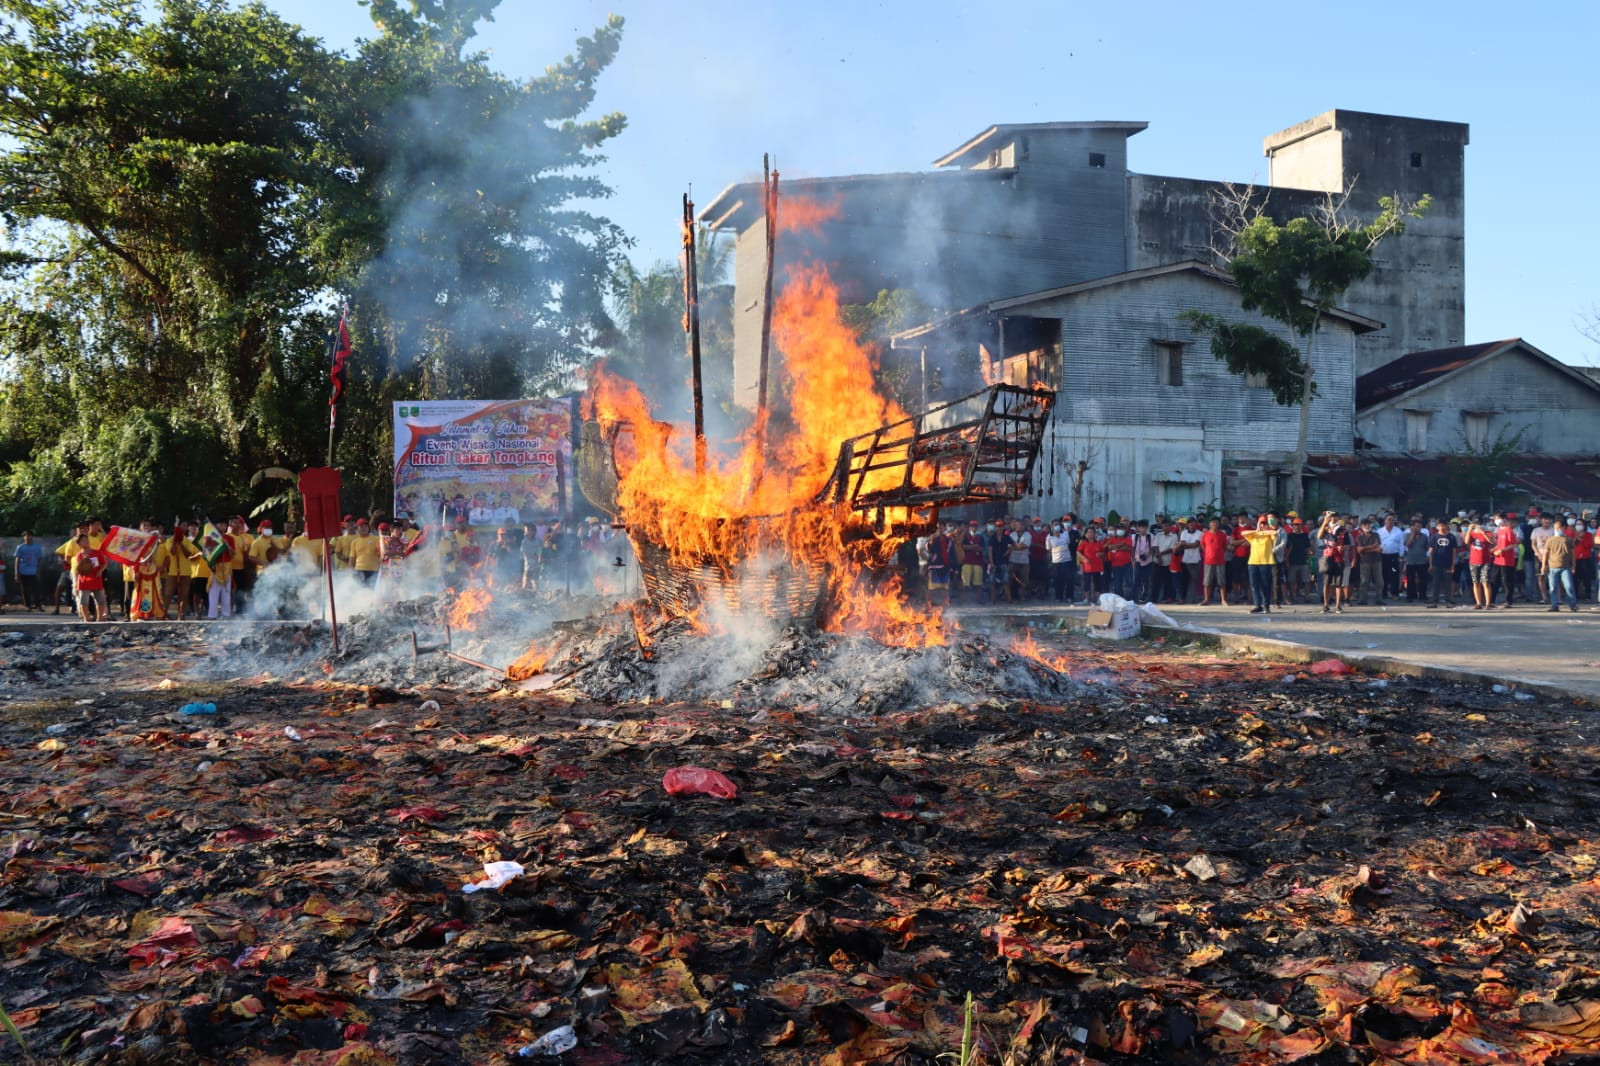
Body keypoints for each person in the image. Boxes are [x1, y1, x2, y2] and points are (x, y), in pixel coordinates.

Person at [1241, 515, 1279, 614]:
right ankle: (1258, 605)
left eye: (1264, 524)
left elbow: (1274, 532)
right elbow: (1243, 533)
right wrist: (1257, 529)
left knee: (1266, 585)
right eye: (1261, 523)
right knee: (1254, 585)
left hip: (1266, 562)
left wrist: (1266, 529)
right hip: (1253, 562)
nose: (1263, 525)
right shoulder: (1254, 535)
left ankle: (1266, 605)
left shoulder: (1269, 535)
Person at [1317, 511, 1352, 614]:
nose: (1332, 519)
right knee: (1326, 583)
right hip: (1328, 557)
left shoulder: (1343, 530)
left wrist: (1343, 547)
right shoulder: (1326, 528)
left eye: (1334, 517)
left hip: (1339, 558)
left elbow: (1348, 545)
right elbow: (1319, 536)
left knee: (1338, 583)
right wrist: (1324, 522)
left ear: (1337, 518)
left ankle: (1337, 605)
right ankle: (1326, 605)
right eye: (1330, 517)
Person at [1541, 517, 1578, 612]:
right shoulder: (1550, 540)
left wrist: (1573, 565)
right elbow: (1545, 553)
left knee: (1569, 586)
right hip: (1553, 566)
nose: (1557, 529)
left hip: (1566, 567)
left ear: (1564, 527)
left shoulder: (1569, 540)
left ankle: (1572, 604)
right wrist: (1543, 566)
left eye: (1559, 527)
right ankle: (1554, 605)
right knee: (1553, 587)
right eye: (1556, 527)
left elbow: (1573, 553)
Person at [70, 532, 109, 622]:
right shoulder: (79, 555)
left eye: (86, 539)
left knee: (100, 600)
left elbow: (104, 564)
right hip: (84, 581)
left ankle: (100, 618)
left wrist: (100, 571)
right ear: (79, 544)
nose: (86, 541)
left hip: (96, 579)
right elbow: (81, 569)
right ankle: (86, 618)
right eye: (83, 540)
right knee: (84, 601)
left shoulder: (97, 552)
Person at [1464, 519, 1495, 610]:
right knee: (1475, 582)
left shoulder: (1488, 532)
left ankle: (1488, 603)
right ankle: (1478, 603)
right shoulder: (1472, 533)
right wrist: (1469, 530)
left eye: (1480, 524)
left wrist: (1483, 533)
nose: (1478, 526)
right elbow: (1466, 542)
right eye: (1476, 524)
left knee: (1485, 582)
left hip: (1486, 561)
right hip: (1474, 560)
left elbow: (1492, 542)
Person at [1426, 520, 1458, 608]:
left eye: (1443, 526)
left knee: (1447, 583)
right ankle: (1434, 602)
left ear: (1447, 526)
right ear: (1437, 527)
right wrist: (1430, 564)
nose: (1442, 528)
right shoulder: (1434, 537)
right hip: (1436, 563)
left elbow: (1454, 552)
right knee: (1435, 583)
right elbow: (1431, 551)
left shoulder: (1451, 537)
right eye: (1440, 526)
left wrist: (1453, 565)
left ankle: (1448, 601)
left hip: (1447, 564)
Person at [1199, 517, 1230, 607]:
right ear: (1210, 524)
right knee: (1207, 582)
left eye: (1216, 523)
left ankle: (1223, 600)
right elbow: (1202, 545)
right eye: (1213, 523)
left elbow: (1224, 546)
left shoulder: (1222, 535)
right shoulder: (1205, 535)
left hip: (1220, 560)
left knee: (1221, 581)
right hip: (1208, 561)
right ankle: (1206, 599)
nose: (1215, 524)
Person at [1354, 518, 1383, 605]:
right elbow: (1359, 550)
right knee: (1364, 581)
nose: (1367, 526)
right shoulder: (1359, 537)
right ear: (1362, 526)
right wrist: (1372, 547)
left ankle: (1379, 599)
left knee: (1379, 581)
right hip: (1364, 561)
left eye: (1369, 525)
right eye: (1365, 525)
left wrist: (1365, 549)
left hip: (1376, 561)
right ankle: (1362, 599)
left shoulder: (1376, 535)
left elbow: (1378, 548)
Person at [1377, 514, 1405, 601]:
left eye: (1392, 520)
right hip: (1383, 555)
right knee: (1383, 575)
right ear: (1385, 521)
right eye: (1389, 519)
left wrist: (1401, 555)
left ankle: (1394, 593)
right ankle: (1383, 593)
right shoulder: (1379, 531)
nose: (1390, 521)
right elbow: (1377, 543)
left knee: (1394, 574)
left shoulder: (1398, 531)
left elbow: (1401, 544)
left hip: (1394, 555)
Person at [346, 518, 382, 586]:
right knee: (361, 591)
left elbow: (382, 553)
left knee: (372, 591)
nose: (363, 528)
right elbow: (352, 558)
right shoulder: (354, 542)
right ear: (357, 529)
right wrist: (351, 572)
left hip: (374, 570)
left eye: (365, 526)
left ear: (368, 528)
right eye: (361, 526)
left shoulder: (377, 539)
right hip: (359, 570)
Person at [1103, 522, 1134, 600]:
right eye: (1119, 529)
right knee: (1117, 584)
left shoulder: (1128, 539)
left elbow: (1129, 548)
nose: (1120, 530)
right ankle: (1119, 599)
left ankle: (1129, 599)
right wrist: (1122, 544)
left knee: (1129, 582)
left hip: (1127, 564)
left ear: (1125, 530)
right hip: (1115, 564)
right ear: (1116, 530)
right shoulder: (1112, 539)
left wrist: (1116, 547)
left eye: (1122, 528)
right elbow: (1109, 547)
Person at [959, 521, 987, 604]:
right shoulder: (965, 536)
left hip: (978, 562)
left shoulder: (980, 537)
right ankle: (962, 600)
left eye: (975, 526)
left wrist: (970, 548)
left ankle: (979, 600)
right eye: (972, 526)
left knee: (978, 583)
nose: (973, 528)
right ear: (969, 527)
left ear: (977, 527)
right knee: (965, 583)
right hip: (967, 561)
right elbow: (963, 547)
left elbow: (982, 548)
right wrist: (974, 546)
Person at [13, 532, 42, 611]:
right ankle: (28, 606)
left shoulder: (37, 547)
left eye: (30, 535)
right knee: (25, 590)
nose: (28, 537)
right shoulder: (20, 547)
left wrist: (39, 572)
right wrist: (16, 573)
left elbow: (39, 560)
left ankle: (38, 605)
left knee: (36, 589)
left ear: (32, 537)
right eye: (26, 536)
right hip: (23, 572)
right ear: (23, 537)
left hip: (34, 572)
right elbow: (17, 560)